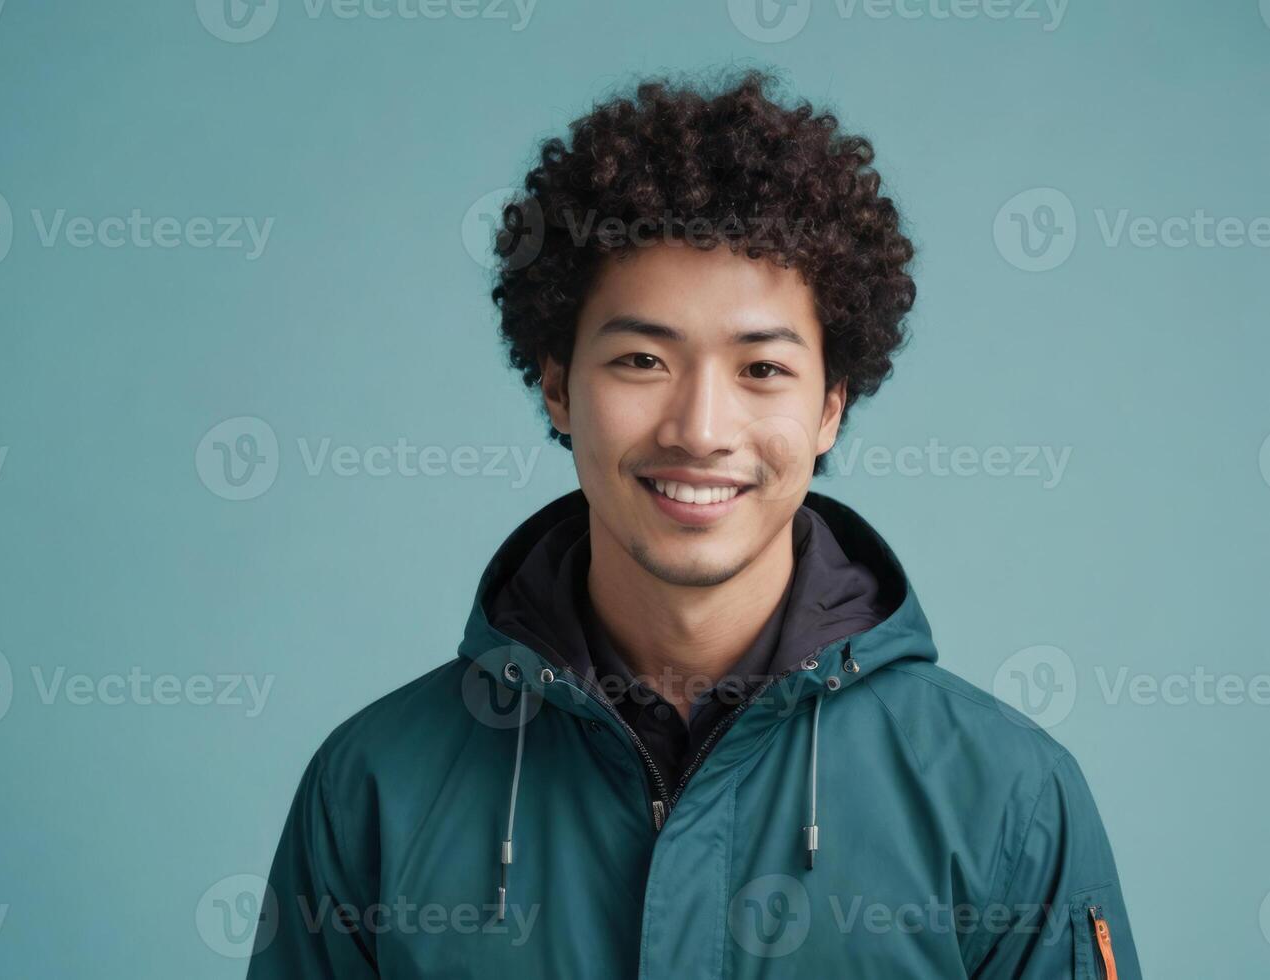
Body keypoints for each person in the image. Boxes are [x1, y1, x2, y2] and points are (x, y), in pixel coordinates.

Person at [246, 68, 1140, 978]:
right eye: (641, 359)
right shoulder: (374, 789)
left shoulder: (1005, 797)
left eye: (761, 370)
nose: (700, 430)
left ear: (831, 405)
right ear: (558, 386)